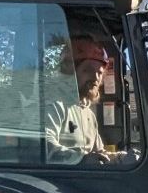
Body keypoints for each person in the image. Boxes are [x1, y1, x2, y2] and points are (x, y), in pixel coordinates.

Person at [44, 35, 116, 164]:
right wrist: (81, 160)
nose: (95, 78)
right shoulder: (54, 104)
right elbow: (44, 147)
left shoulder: (88, 114)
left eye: (99, 73)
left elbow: (98, 153)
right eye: (88, 70)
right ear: (69, 72)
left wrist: (120, 158)